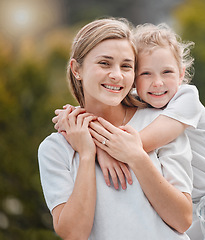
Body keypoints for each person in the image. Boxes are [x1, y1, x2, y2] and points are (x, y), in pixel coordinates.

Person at [54, 23, 205, 240]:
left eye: (167, 72)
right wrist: (76, 118)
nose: (157, 83)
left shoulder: (186, 99)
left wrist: (94, 144)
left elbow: (138, 143)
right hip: (194, 213)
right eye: (146, 73)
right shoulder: (144, 103)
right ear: (134, 80)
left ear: (181, 74)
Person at [38, 18, 193, 240]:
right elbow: (74, 234)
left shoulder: (159, 124)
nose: (117, 75)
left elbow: (182, 219)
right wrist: (87, 154)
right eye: (104, 63)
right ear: (76, 69)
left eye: (127, 66)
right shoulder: (55, 148)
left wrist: (136, 157)